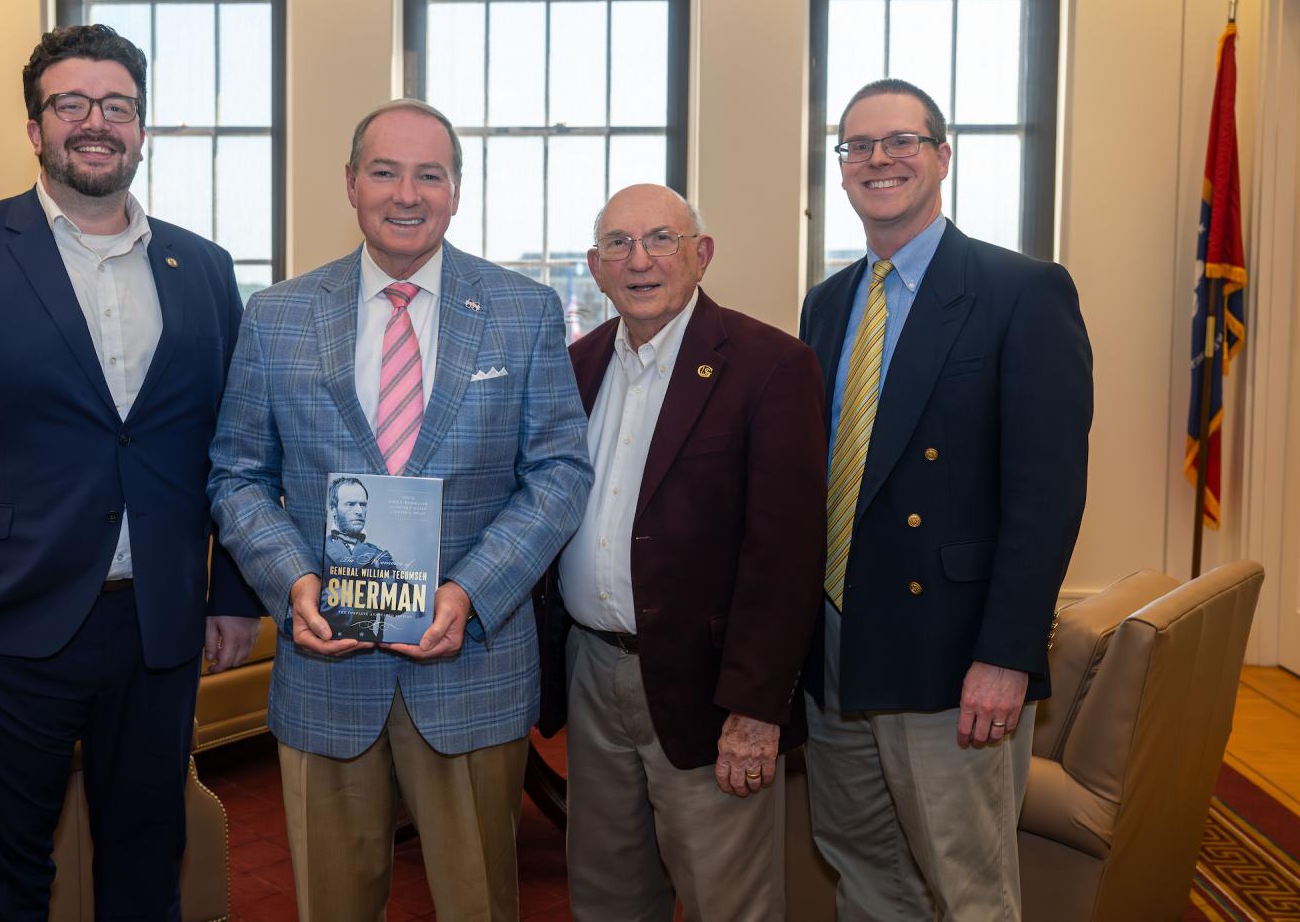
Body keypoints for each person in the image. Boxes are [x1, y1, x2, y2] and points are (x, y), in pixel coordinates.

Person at [0, 24, 263, 921]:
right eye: (70, 104)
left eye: (117, 106)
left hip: (157, 632)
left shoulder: (202, 267)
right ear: (35, 128)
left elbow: (238, 446)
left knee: (146, 870)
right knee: (3, 884)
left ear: (142, 128)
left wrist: (231, 592)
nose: (95, 122)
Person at [208, 98, 592, 922]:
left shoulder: (523, 312)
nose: (406, 193)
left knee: (478, 902)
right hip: (325, 668)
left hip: (471, 666)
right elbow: (237, 476)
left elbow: (558, 473)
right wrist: (295, 583)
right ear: (351, 184)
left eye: (430, 174)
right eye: (385, 171)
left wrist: (469, 593)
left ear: (457, 191)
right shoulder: (276, 316)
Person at [798, 78, 1093, 919]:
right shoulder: (827, 305)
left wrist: (1006, 655)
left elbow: (1047, 495)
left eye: (902, 142)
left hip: (952, 656)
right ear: (843, 168)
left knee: (967, 884)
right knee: (861, 867)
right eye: (859, 146)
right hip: (838, 649)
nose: (879, 159)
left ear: (942, 157)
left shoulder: (1020, 292)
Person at [535, 184, 826, 922]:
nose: (640, 261)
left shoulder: (770, 365)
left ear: (701, 255)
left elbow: (786, 554)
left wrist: (756, 709)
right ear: (595, 267)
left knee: (728, 902)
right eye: (618, 244)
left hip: (709, 690)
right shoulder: (578, 365)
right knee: (606, 896)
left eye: (661, 239)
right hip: (592, 674)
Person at [322, 475, 401, 641]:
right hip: (325, 645)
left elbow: (402, 600)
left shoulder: (379, 553)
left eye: (363, 504)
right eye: (350, 504)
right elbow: (320, 603)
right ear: (333, 509)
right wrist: (375, 595)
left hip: (373, 646)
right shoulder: (318, 548)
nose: (359, 511)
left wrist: (344, 595)